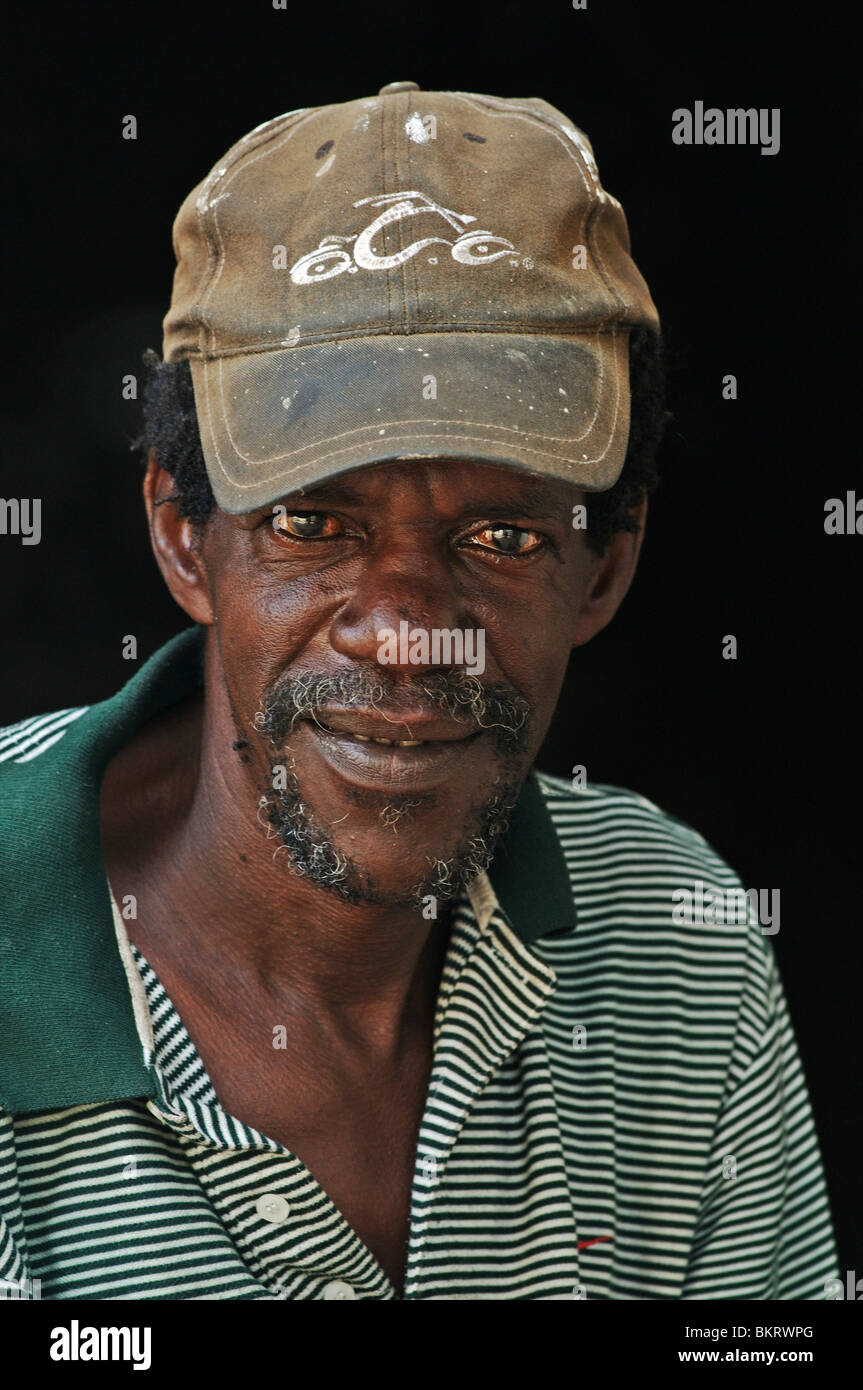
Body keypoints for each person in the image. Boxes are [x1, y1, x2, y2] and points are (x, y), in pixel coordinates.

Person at [0, 81, 837, 1301]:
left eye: (499, 537)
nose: (406, 635)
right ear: (183, 538)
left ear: (605, 564)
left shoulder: (673, 942)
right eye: (311, 522)